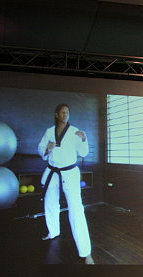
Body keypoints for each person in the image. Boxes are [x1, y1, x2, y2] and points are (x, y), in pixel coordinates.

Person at [38, 104, 93, 264]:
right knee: (50, 203)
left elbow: (83, 153)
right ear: (56, 114)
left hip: (69, 172)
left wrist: (84, 139)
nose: (65, 114)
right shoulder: (49, 131)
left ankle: (86, 252)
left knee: (76, 208)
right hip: (52, 171)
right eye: (62, 112)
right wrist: (47, 149)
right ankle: (53, 232)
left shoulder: (75, 132)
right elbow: (41, 149)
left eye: (67, 112)